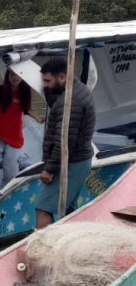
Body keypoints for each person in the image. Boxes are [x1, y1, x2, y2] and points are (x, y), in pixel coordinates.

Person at [37, 57, 96, 229]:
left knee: (43, 208)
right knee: (69, 211)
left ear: (62, 77)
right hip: (78, 159)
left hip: (71, 162)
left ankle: (41, 252)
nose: (45, 86)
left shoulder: (71, 102)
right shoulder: (76, 90)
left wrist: (49, 169)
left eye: (48, 81)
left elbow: (64, 141)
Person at [0, 69, 35, 189]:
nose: (15, 78)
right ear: (7, 75)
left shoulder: (25, 92)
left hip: (14, 139)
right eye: (12, 74)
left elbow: (26, 109)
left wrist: (38, 119)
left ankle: (1, 198)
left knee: (11, 177)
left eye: (19, 75)